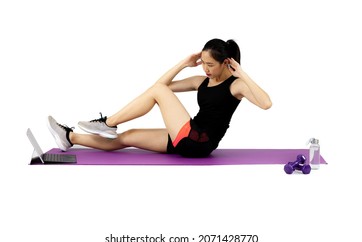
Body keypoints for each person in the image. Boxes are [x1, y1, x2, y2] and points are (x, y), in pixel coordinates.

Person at [47, 38, 272, 158]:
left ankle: (108, 123)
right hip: (187, 135)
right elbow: (160, 86)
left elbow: (266, 104)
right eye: (203, 63)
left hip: (200, 141)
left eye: (210, 64)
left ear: (226, 63)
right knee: (127, 137)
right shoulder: (201, 81)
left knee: (157, 93)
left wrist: (241, 72)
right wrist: (184, 64)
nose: (205, 69)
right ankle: (71, 138)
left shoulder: (236, 85)